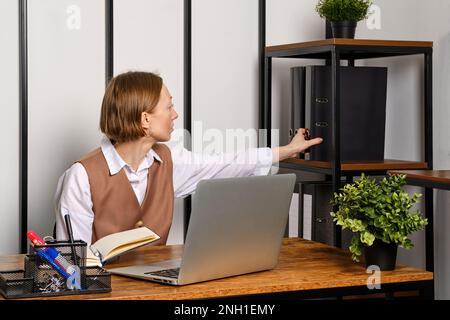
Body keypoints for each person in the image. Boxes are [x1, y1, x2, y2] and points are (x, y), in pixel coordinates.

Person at [55, 71, 322, 245]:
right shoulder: (81, 176)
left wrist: (285, 151)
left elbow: (225, 164)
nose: (175, 115)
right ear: (145, 119)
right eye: (169, 106)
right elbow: (71, 264)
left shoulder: (168, 161)